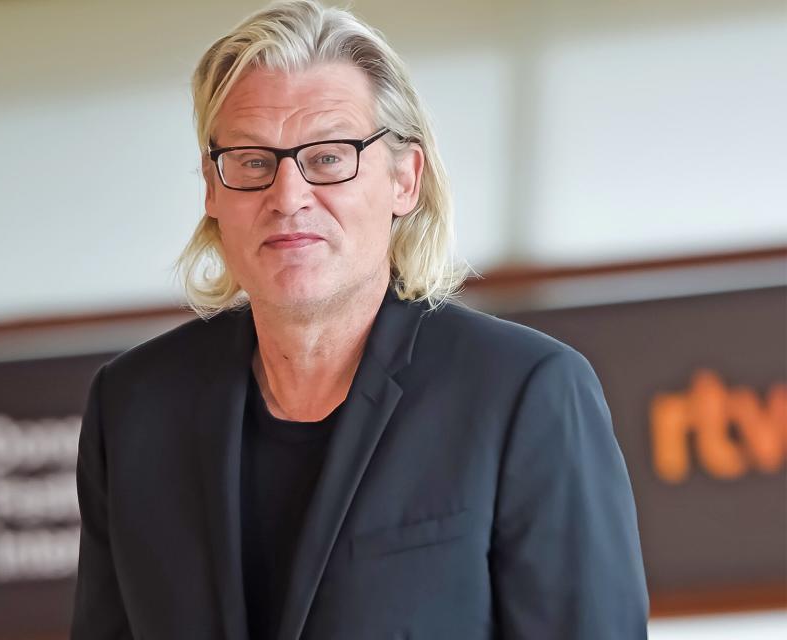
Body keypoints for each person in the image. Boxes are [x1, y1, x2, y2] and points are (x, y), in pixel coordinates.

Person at [70, 1, 649, 638]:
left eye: (327, 157)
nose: (287, 197)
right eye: (253, 162)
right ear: (212, 188)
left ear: (406, 178)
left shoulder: (526, 393)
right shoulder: (132, 409)